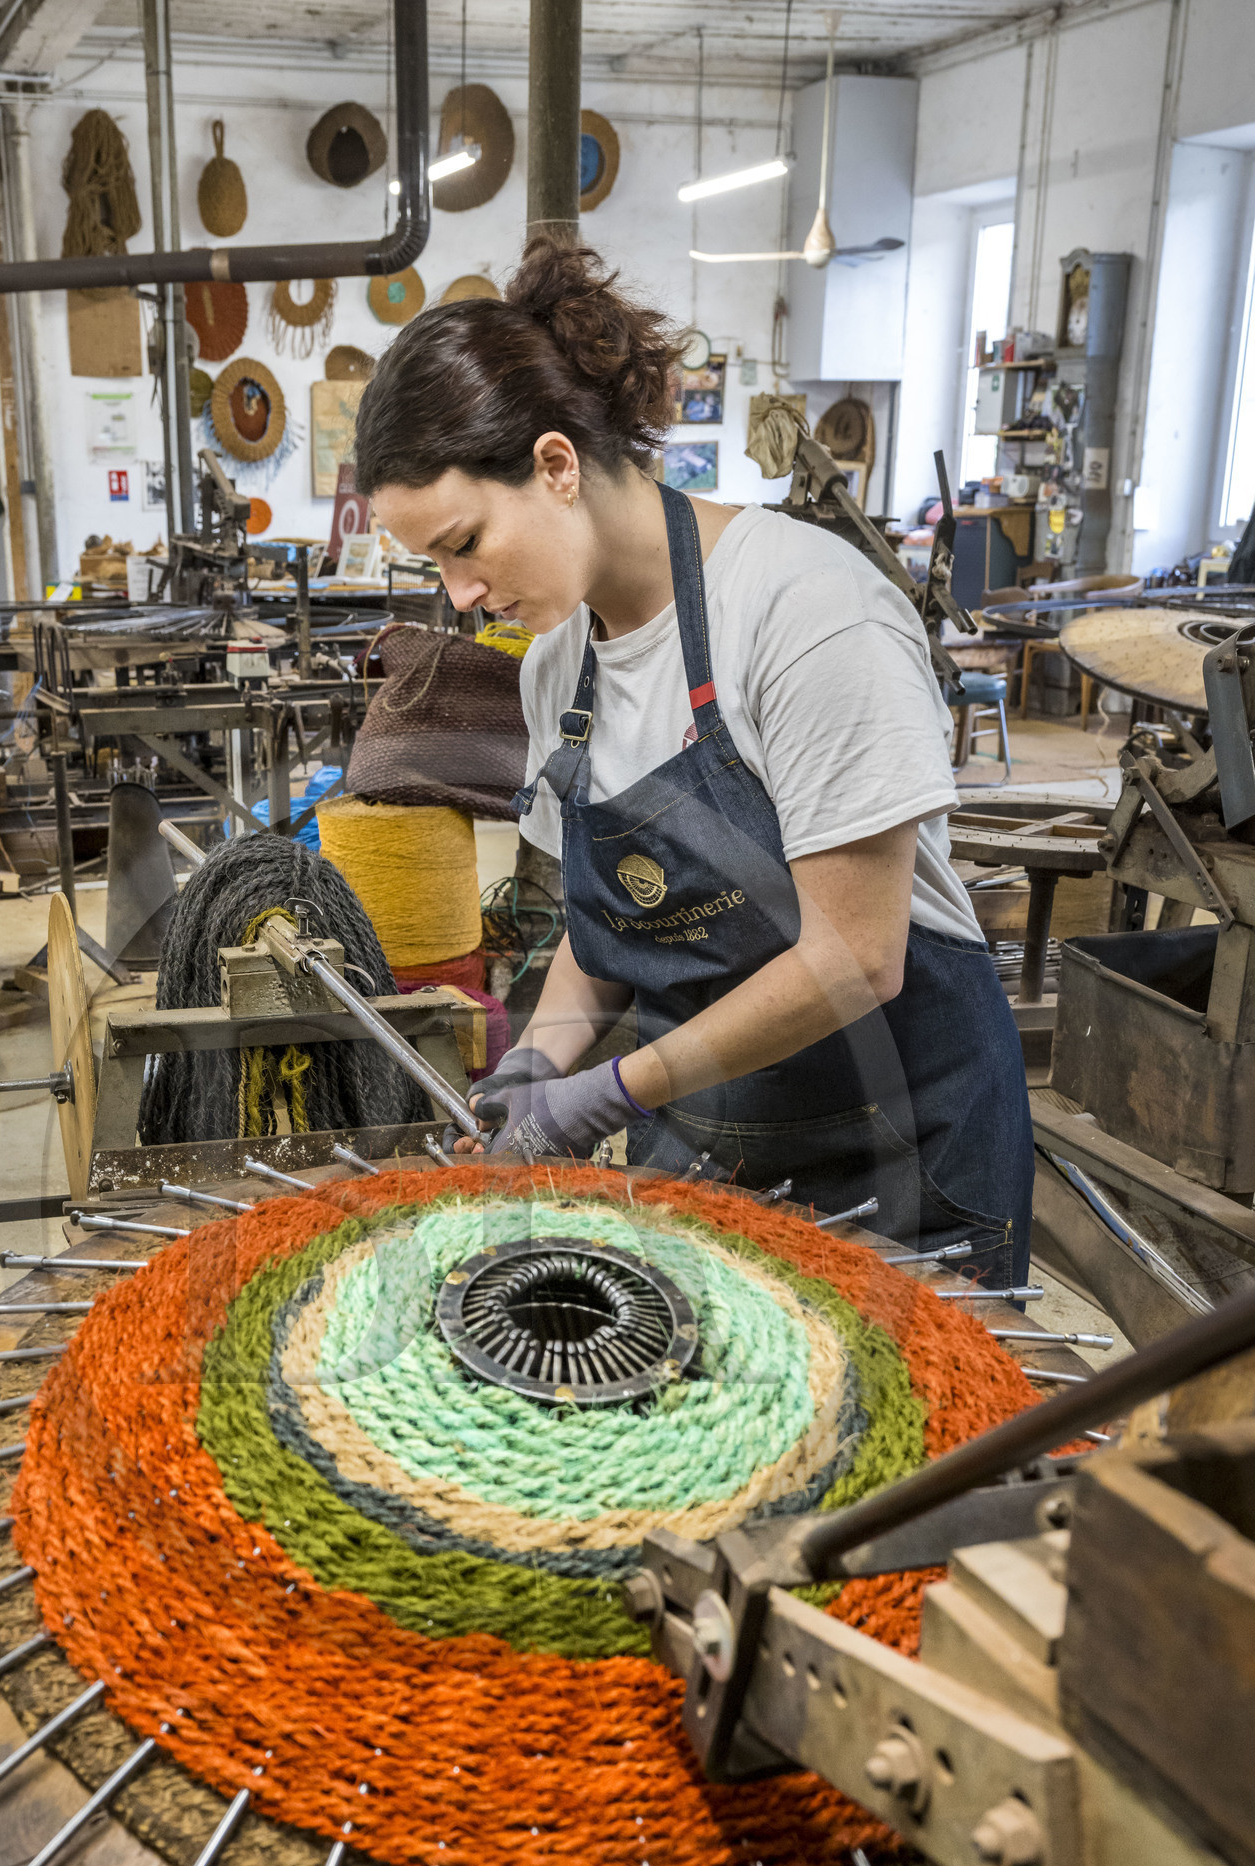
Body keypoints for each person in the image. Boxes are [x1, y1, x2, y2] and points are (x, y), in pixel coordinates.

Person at [354, 237, 1033, 1282]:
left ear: (555, 466)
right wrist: (540, 1059)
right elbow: (610, 932)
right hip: (707, 1162)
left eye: (464, 543)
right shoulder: (557, 670)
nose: (460, 596)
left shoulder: (805, 611)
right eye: (433, 564)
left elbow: (856, 956)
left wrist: (613, 1091)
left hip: (898, 1158)